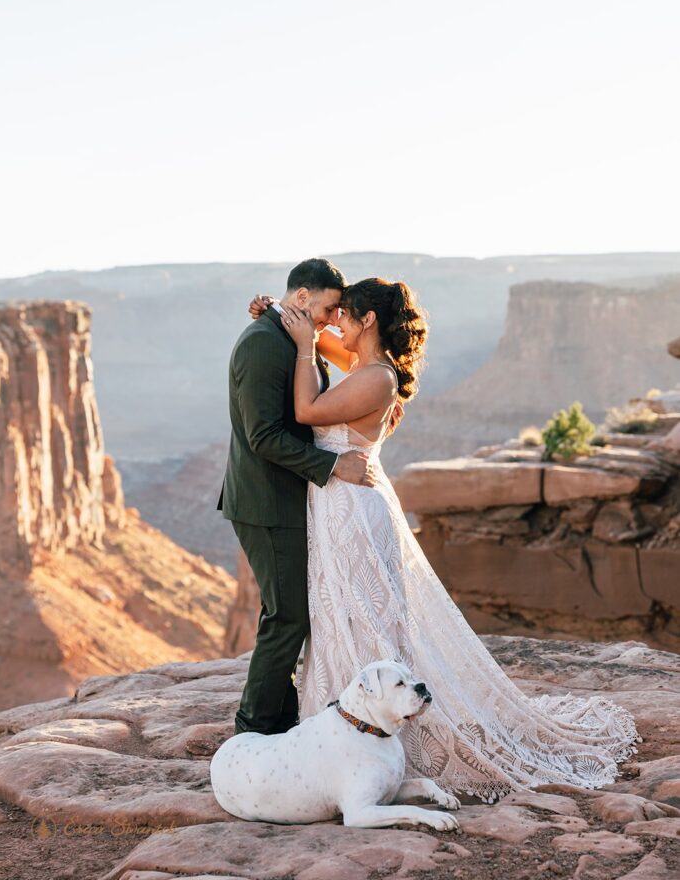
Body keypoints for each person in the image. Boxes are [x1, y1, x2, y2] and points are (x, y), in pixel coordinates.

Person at [248, 277, 640, 803]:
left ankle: (390, 735)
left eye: (344, 313)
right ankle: (348, 736)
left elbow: (306, 412)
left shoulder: (377, 378)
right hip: (336, 504)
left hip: (355, 511)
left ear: (368, 320)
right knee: (340, 613)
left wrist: (299, 344)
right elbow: (320, 339)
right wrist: (277, 313)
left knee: (368, 615)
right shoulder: (364, 363)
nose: (334, 320)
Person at [217, 257, 379, 737]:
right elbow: (263, 436)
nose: (331, 320)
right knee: (287, 616)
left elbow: (351, 363)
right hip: (267, 501)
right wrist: (333, 465)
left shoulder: (290, 333)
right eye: (328, 308)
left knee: (293, 612)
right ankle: (253, 730)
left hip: (291, 497)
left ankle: (281, 718)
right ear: (303, 297)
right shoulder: (264, 343)